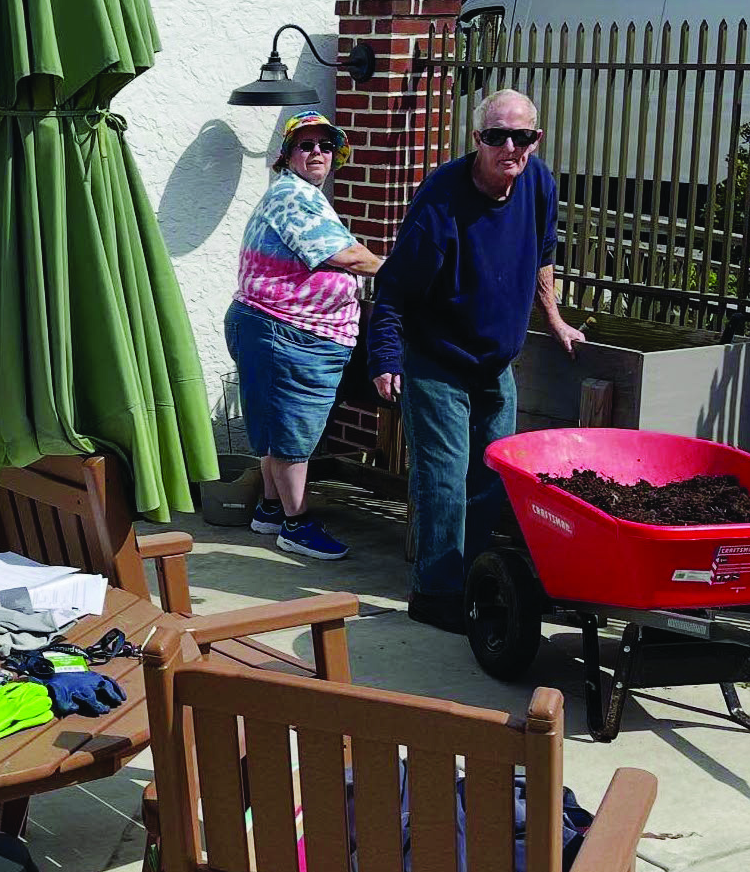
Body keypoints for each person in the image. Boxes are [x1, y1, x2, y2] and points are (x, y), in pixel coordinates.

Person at [368, 88, 586, 633]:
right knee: (443, 478)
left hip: (495, 362)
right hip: (438, 358)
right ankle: (435, 593)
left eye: (522, 136)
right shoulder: (442, 198)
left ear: (536, 140)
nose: (510, 147)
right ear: (476, 140)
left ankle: (473, 576)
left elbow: (543, 254)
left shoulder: (536, 182)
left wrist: (554, 319)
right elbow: (394, 285)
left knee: (495, 478)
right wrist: (386, 356)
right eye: (497, 136)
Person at [225, 110, 383, 560]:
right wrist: (399, 272)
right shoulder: (294, 196)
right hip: (288, 332)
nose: (318, 153)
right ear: (288, 156)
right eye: (306, 145)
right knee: (294, 432)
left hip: (276, 328)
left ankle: (271, 510)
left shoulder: (297, 194)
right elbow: (346, 255)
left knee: (277, 426)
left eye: (326, 146)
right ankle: (296, 524)